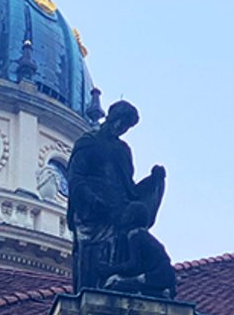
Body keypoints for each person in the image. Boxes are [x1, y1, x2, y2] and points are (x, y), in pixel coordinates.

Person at [67, 100, 166, 291]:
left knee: (119, 253)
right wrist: (92, 200)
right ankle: (90, 293)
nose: (123, 128)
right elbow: (76, 178)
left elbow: (130, 189)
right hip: (92, 214)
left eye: (128, 126)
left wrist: (153, 181)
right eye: (122, 122)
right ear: (112, 117)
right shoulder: (88, 143)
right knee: (93, 256)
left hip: (118, 212)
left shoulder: (123, 150)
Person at [103, 202, 178, 298]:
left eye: (127, 213)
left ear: (132, 217)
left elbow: (134, 265)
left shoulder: (135, 235)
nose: (123, 216)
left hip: (157, 275)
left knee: (116, 284)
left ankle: (157, 292)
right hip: (164, 275)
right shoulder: (142, 235)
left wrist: (110, 270)